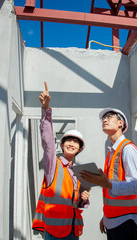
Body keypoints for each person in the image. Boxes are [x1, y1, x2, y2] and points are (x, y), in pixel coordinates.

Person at [32, 81, 90, 240]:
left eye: (76, 142)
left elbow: (76, 202)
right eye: (68, 140)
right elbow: (48, 141)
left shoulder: (80, 172)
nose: (72, 144)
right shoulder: (53, 164)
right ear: (62, 145)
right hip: (55, 232)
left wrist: (83, 200)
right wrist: (46, 110)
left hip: (74, 229)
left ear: (80, 148)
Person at [81, 108, 137, 240]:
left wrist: (107, 184)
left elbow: (136, 186)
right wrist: (107, 216)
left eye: (109, 117)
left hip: (127, 221)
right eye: (103, 118)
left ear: (120, 123)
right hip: (115, 220)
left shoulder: (128, 149)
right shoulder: (112, 151)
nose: (104, 120)